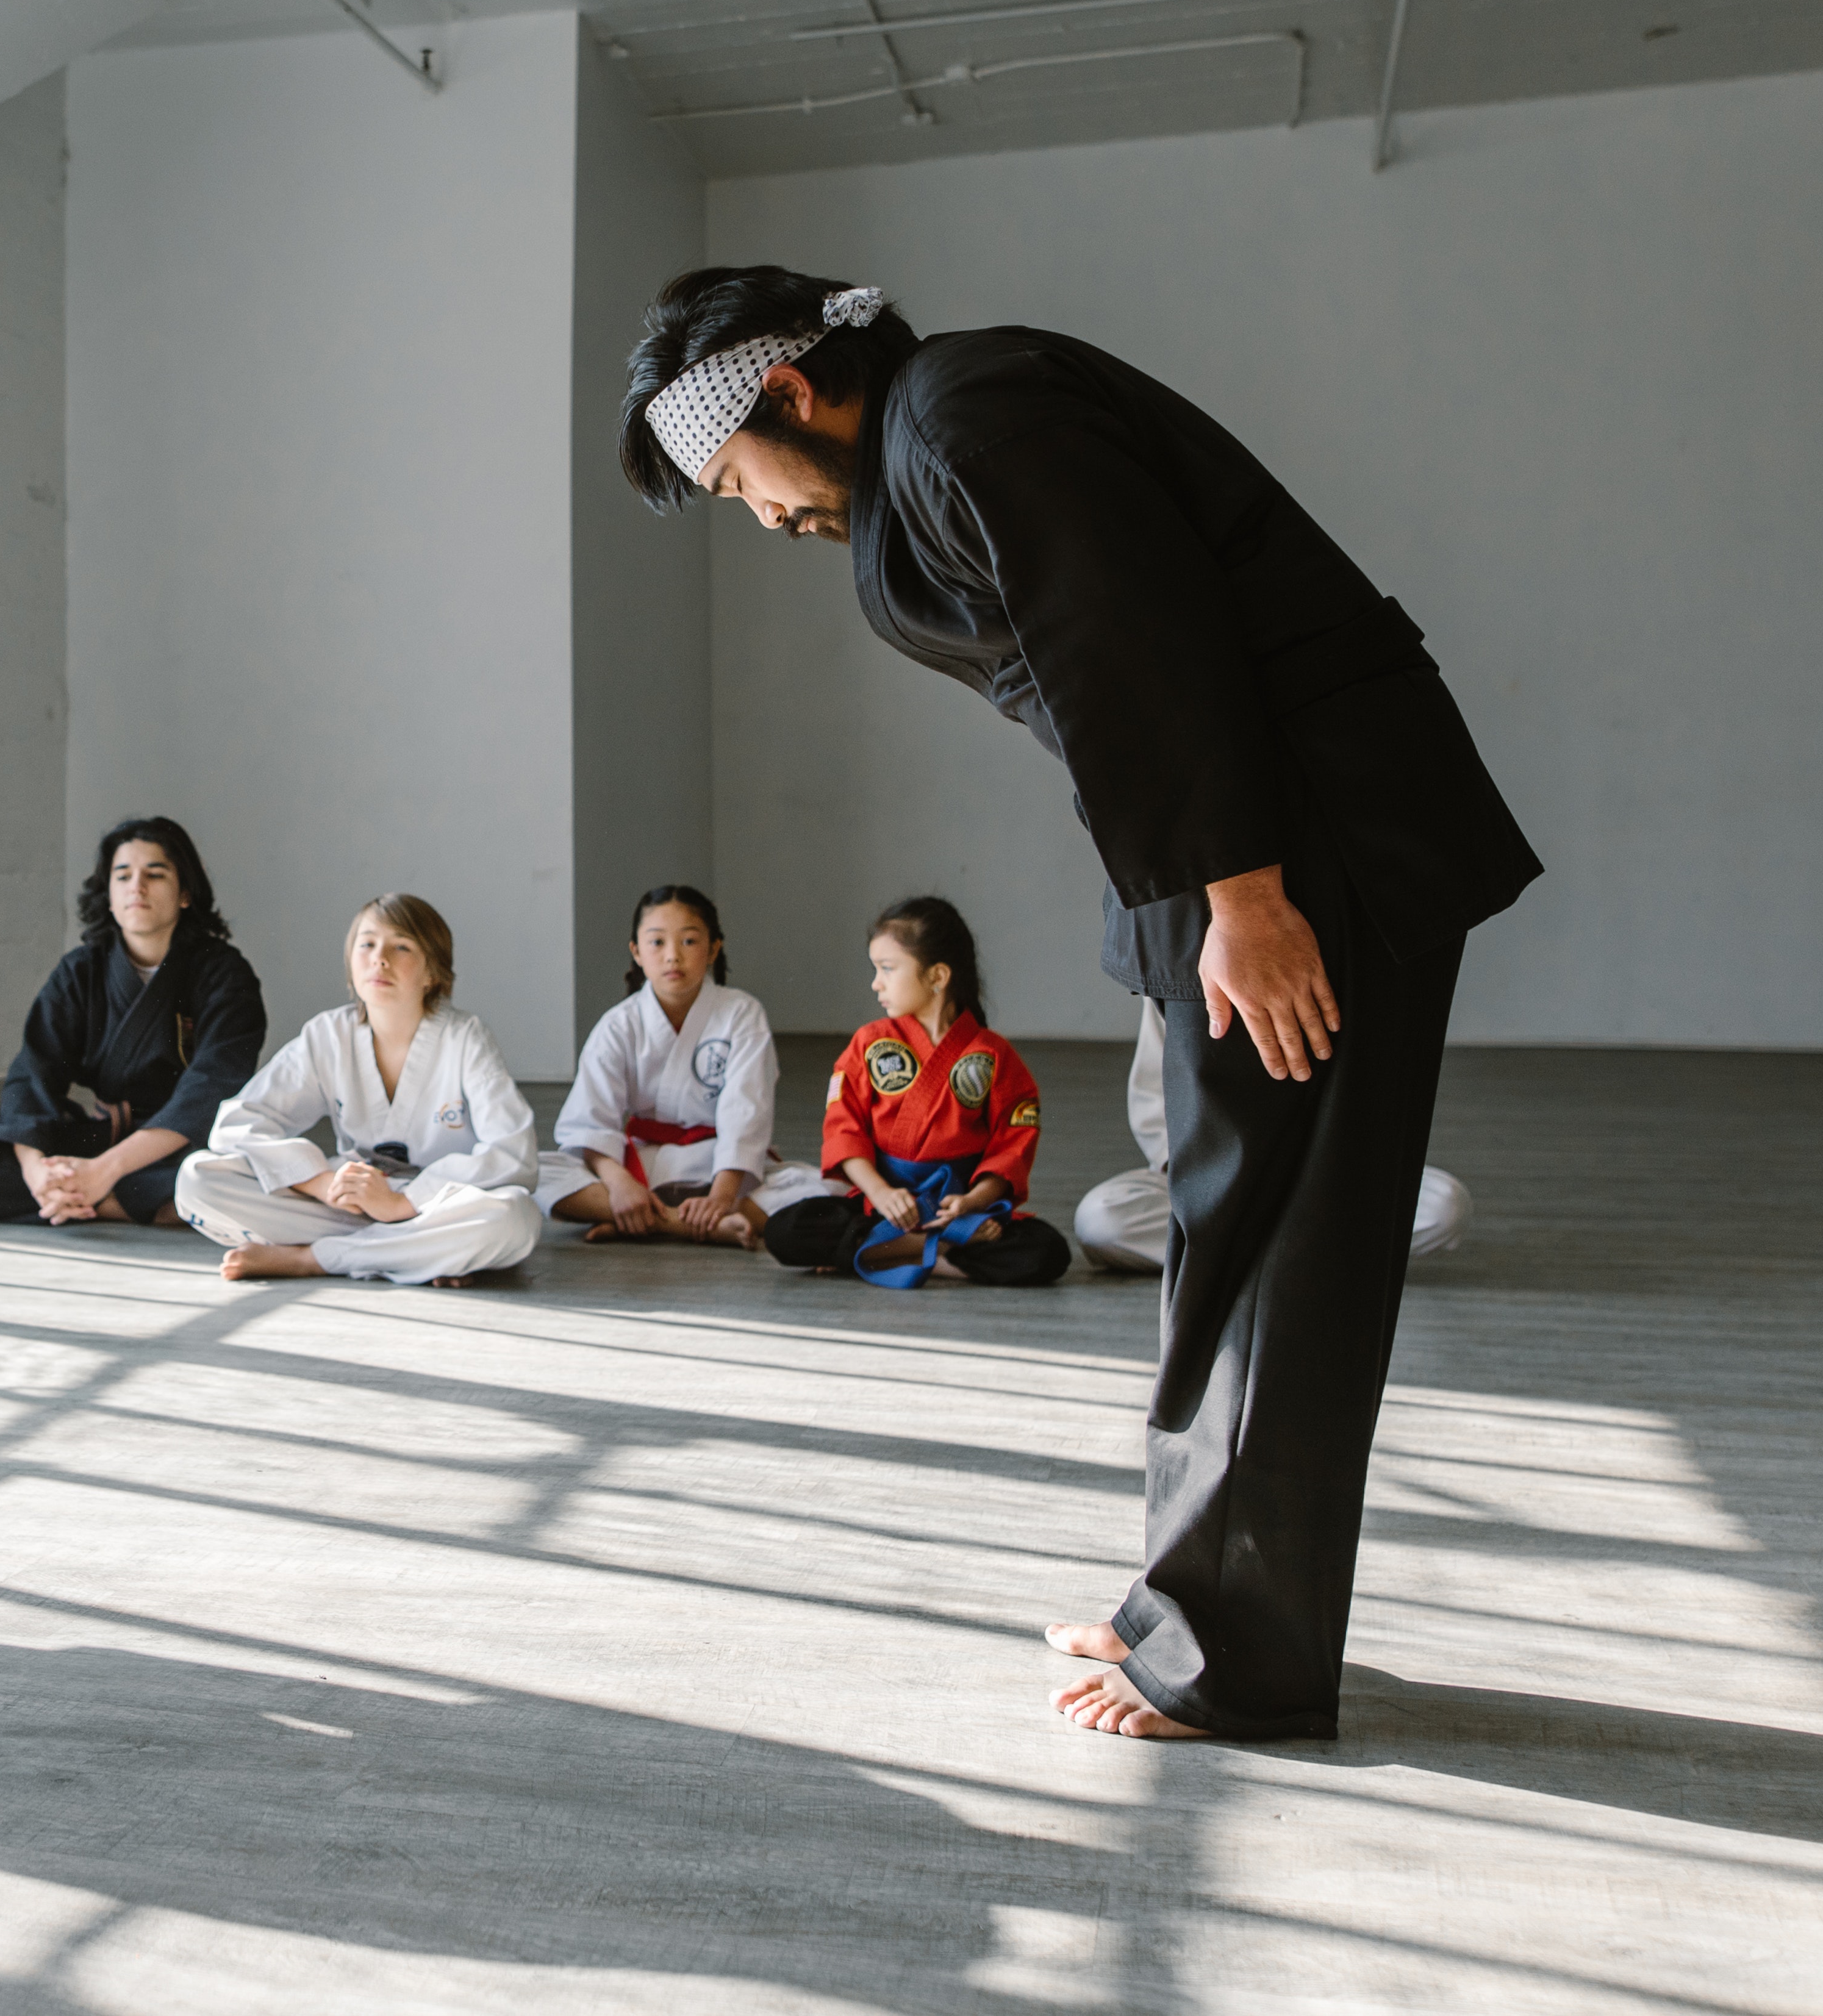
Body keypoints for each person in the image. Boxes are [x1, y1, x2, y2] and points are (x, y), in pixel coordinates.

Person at [620, 266, 1538, 1741]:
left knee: (1283, 1244)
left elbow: (1141, 643)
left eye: (738, 479)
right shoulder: (936, 432)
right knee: (1224, 1226)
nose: (763, 517)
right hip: (1240, 848)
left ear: (788, 392)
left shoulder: (970, 414)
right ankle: (1195, 1600)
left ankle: (1236, 1654)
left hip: (1301, 853)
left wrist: (1242, 896)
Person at [173, 894, 540, 1286]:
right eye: (367, 944)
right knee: (198, 1179)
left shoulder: (465, 1038)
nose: (379, 958)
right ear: (351, 960)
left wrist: (403, 1203)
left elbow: (514, 1154)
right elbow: (238, 1123)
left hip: (436, 1205)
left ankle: (314, 1259)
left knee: (514, 1219)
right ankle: (425, 1255)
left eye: (401, 946)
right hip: (348, 1203)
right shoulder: (327, 1036)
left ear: (434, 972)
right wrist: (320, 1182)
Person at [0, 818, 268, 1227]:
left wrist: (105, 1170)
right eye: (123, 875)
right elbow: (33, 1074)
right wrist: (37, 1170)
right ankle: (121, 1203)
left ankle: (95, 1200)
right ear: (109, 895)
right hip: (105, 1136)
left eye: (155, 875)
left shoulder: (225, 974)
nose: (136, 887)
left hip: (181, 1142)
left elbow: (209, 1088)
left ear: (185, 893)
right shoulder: (81, 971)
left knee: (230, 1173)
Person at [760, 897, 1069, 1286]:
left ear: (938, 976)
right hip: (883, 1204)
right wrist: (883, 1193)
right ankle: (937, 1252)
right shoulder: (869, 1044)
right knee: (785, 1230)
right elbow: (844, 1131)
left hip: (956, 1209)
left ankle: (889, 1251)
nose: (877, 983)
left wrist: (971, 1204)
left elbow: (1013, 1145)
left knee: (1047, 1251)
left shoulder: (992, 1054)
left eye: (888, 969)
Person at [1075, 1003, 1471, 1270]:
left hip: (1317, 1183)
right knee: (1102, 1220)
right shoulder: (1179, 954)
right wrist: (1210, 1175)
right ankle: (1290, 1255)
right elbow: (1156, 1097)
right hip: (1208, 1183)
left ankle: (1237, 1257)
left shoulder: (1342, 955)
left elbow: (1372, 1102)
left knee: (1442, 1205)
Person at [542, 884, 826, 1243]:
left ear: (713, 949)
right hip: (642, 1162)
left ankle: (647, 1221)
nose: (673, 956)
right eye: (657, 942)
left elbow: (746, 1110)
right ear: (637, 952)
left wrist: (722, 1197)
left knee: (824, 1187)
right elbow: (589, 1122)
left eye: (689, 941)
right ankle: (691, 1224)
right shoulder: (619, 1024)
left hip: (719, 1163)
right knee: (540, 1174)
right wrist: (620, 1184)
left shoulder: (740, 1013)